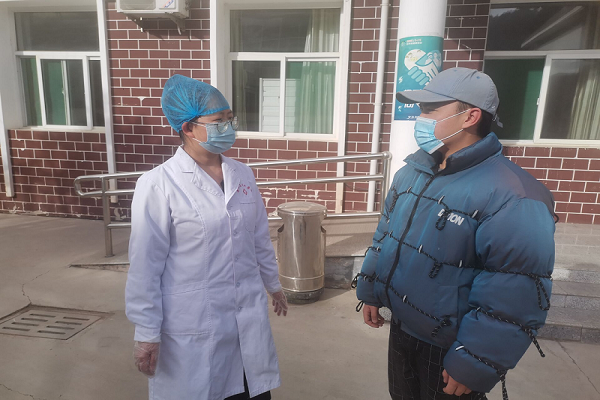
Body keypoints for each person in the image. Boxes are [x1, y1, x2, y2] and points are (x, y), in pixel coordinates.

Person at [355, 68, 555, 400]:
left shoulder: (514, 195)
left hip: (450, 347)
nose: (420, 118)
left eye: (431, 109)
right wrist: (371, 290)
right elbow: (385, 237)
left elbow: (514, 292)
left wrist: (475, 361)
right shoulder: (411, 173)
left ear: (470, 116)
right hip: (402, 330)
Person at [125, 74, 288, 400]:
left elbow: (258, 238)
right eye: (218, 121)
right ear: (188, 127)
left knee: (250, 392)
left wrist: (273, 284)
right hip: (194, 325)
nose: (228, 127)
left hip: (246, 319)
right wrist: (146, 332)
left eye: (230, 118)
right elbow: (145, 268)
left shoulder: (242, 174)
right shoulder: (158, 184)